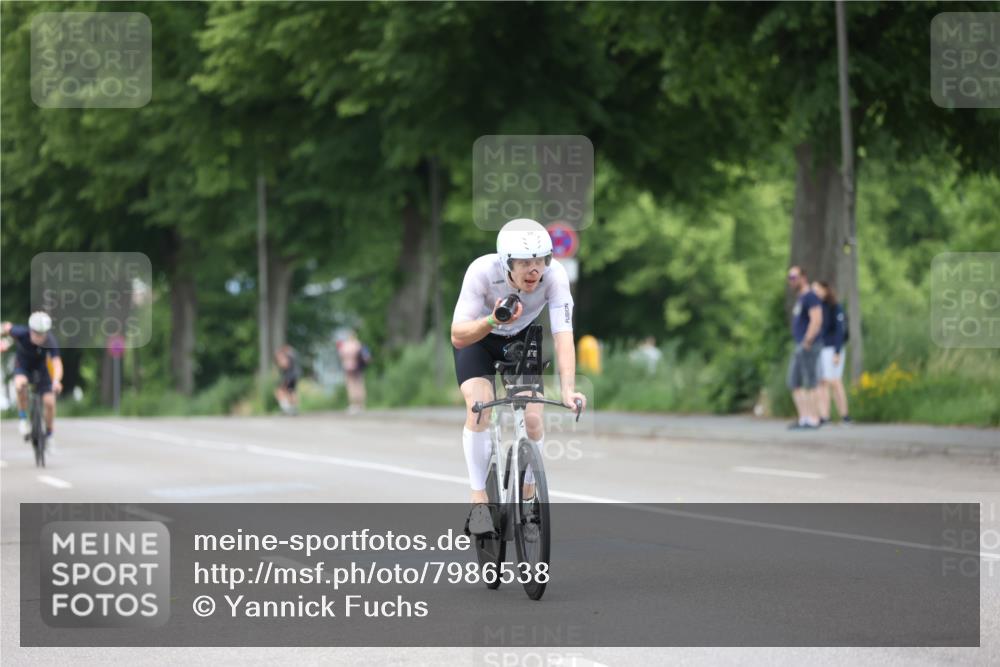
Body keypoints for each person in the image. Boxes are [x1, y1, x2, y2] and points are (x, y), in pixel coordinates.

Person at [451, 218, 587, 533]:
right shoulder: (482, 272)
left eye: (540, 260)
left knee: (535, 417)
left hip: (521, 341)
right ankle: (478, 500)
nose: (534, 270)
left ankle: (527, 499)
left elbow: (564, 334)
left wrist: (568, 389)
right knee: (479, 406)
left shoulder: (555, 278)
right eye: (525, 262)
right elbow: (458, 335)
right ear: (506, 262)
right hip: (479, 339)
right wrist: (490, 320)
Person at [1, 312, 63, 452]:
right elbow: (5, 327)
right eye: (36, 333)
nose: (39, 337)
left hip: (42, 371)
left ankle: (49, 434)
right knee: (20, 385)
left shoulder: (50, 341)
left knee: (49, 402)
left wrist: (57, 381)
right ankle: (23, 419)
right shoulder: (21, 333)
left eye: (42, 334)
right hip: (23, 367)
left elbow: (57, 363)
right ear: (30, 330)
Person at [785, 266, 823, 430]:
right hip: (800, 344)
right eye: (790, 278)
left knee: (810, 381)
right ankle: (804, 418)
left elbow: (816, 319)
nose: (791, 281)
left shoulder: (810, 297)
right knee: (794, 382)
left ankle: (814, 418)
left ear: (803, 277)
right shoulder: (801, 298)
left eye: (794, 277)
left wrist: (808, 340)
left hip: (809, 344)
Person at [813, 281, 851, 425]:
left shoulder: (835, 307)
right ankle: (824, 415)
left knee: (835, 382)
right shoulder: (819, 307)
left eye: (817, 289)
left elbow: (840, 331)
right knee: (823, 382)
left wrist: (837, 351)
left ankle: (845, 415)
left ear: (825, 290)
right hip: (821, 349)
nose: (815, 292)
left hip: (833, 349)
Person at [337, 330, 368, 414]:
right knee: (360, 385)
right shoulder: (359, 344)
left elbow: (341, 355)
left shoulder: (345, 345)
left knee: (351, 386)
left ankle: (353, 404)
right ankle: (361, 405)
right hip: (358, 368)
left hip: (348, 367)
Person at [274, 344, 300, 415]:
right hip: (293, 376)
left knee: (282, 391)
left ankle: (287, 409)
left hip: (289, 377)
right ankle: (292, 409)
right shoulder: (291, 356)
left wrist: (280, 363)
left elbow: (285, 364)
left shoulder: (286, 357)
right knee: (291, 391)